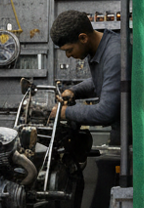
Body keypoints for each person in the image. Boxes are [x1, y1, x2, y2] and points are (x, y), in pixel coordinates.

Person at [50, 10, 125, 139]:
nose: (68, 56)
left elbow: (105, 112)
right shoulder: (100, 49)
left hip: (137, 139)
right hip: (122, 131)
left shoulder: (115, 54)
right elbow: (103, 80)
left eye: (69, 50)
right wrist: (74, 91)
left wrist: (65, 112)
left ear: (83, 38)